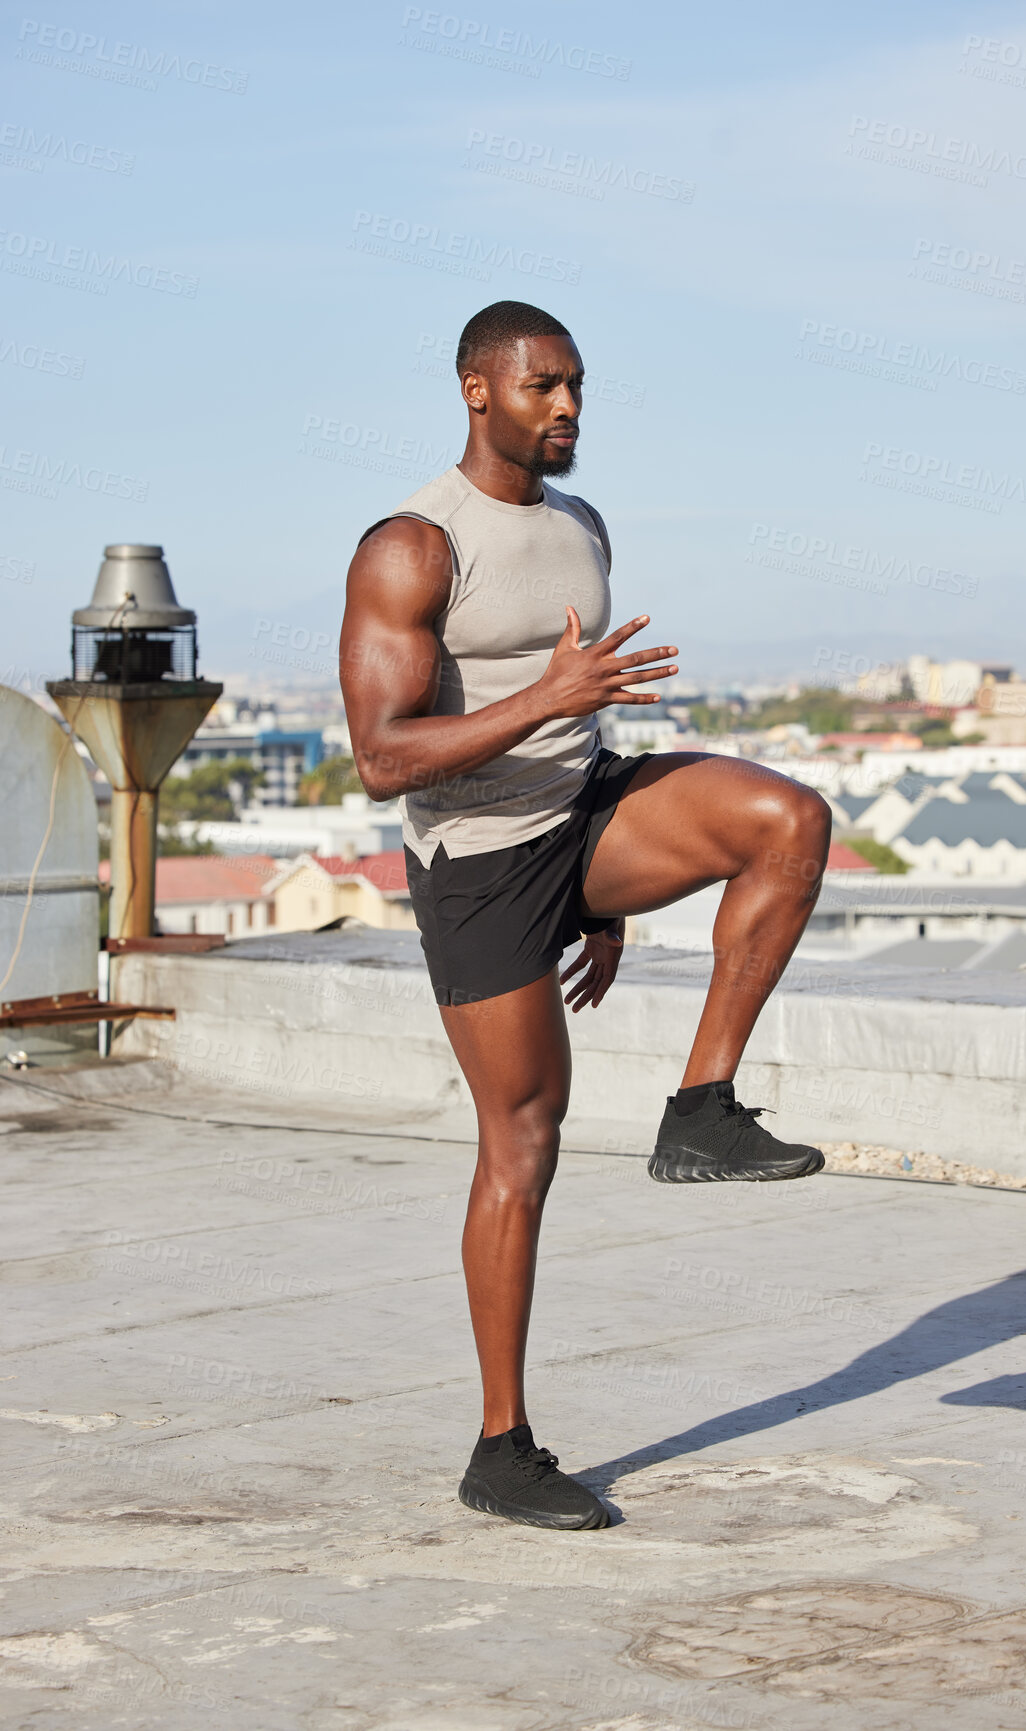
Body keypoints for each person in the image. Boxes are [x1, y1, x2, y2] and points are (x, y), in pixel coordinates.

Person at [340, 301, 831, 1532]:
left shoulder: (580, 525)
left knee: (788, 819)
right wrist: (549, 695)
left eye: (577, 387)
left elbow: (583, 715)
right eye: (543, 387)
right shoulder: (411, 547)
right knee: (525, 1140)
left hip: (582, 815)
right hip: (481, 862)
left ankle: (703, 1109)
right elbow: (382, 757)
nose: (567, 409)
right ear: (476, 391)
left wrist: (601, 896)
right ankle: (501, 1448)